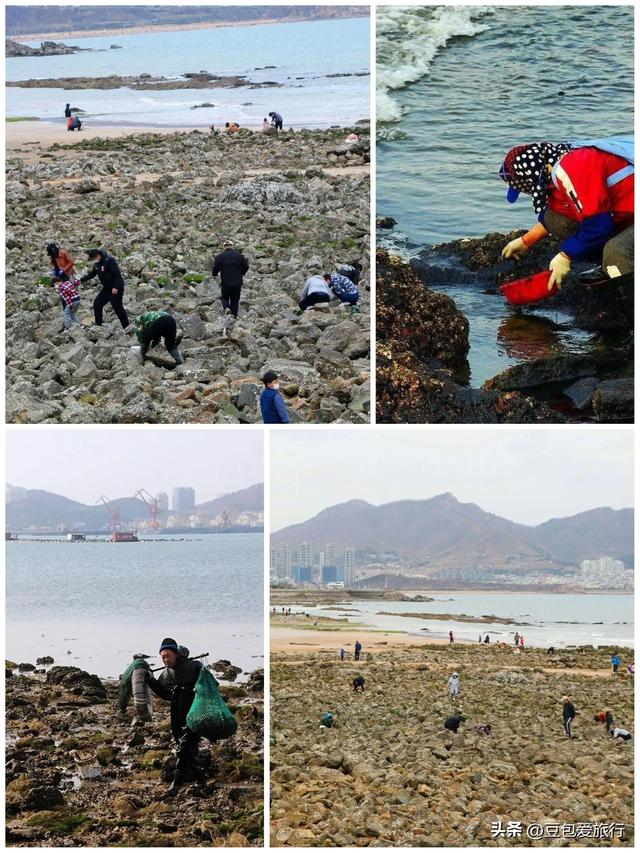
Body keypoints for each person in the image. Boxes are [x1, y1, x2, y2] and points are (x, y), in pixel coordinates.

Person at [499, 136, 634, 287]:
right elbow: (566, 215)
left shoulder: (572, 168)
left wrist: (566, 256)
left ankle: (626, 292)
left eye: (523, 187)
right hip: (627, 212)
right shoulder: (556, 164)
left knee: (617, 251)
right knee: (554, 218)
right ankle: (610, 267)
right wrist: (526, 241)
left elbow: (597, 226)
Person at [146, 638, 205, 797]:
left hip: (195, 714)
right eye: (163, 657)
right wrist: (150, 680)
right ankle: (201, 778)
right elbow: (165, 694)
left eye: (168, 656)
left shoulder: (192, 667)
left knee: (183, 748)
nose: (165, 660)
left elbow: (206, 686)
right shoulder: (166, 674)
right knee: (187, 750)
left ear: (176, 654)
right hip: (177, 716)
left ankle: (176, 785)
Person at [80, 248, 129, 328]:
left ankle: (126, 326)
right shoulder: (97, 264)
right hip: (107, 288)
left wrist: (116, 287)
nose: (93, 261)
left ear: (98, 256)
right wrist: (80, 281)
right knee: (97, 304)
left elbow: (117, 274)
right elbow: (91, 275)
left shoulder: (109, 260)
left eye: (93, 259)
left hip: (116, 287)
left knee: (117, 307)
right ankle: (98, 326)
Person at [212, 239, 249, 319]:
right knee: (235, 301)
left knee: (224, 298)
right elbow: (246, 266)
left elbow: (215, 269)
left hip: (226, 282)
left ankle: (227, 308)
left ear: (224, 247)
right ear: (232, 246)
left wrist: (214, 275)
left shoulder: (220, 256)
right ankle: (234, 317)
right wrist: (241, 273)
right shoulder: (239, 255)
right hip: (237, 282)